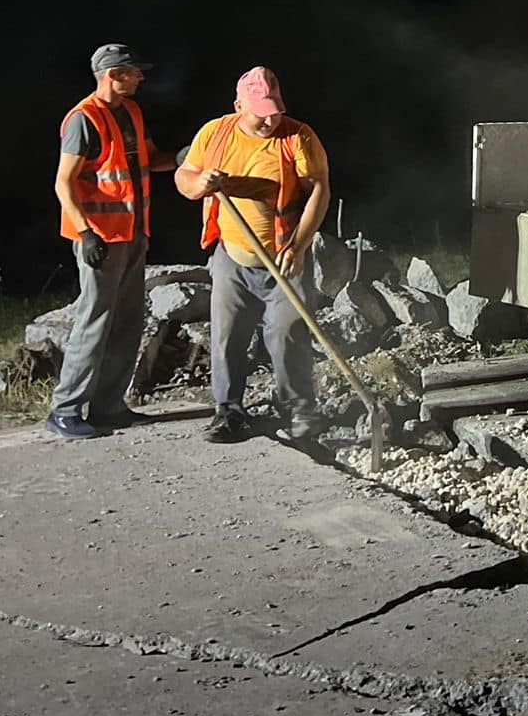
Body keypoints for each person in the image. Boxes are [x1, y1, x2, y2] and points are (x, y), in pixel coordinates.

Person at [174, 66, 331, 443]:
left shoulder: (298, 136)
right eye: (260, 110)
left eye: (274, 108)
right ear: (238, 105)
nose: (269, 118)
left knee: (288, 334)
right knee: (228, 337)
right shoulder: (215, 134)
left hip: (284, 257)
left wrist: (299, 244)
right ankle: (228, 411)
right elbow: (184, 176)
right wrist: (200, 184)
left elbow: (318, 190)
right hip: (233, 256)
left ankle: (298, 412)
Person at [49, 43, 177, 439]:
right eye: (134, 71)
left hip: (134, 233)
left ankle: (108, 406)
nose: (142, 77)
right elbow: (63, 183)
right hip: (102, 239)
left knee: (127, 321)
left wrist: (184, 158)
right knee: (94, 321)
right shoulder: (83, 119)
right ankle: (65, 408)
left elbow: (149, 159)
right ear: (113, 74)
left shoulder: (133, 113)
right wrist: (85, 232)